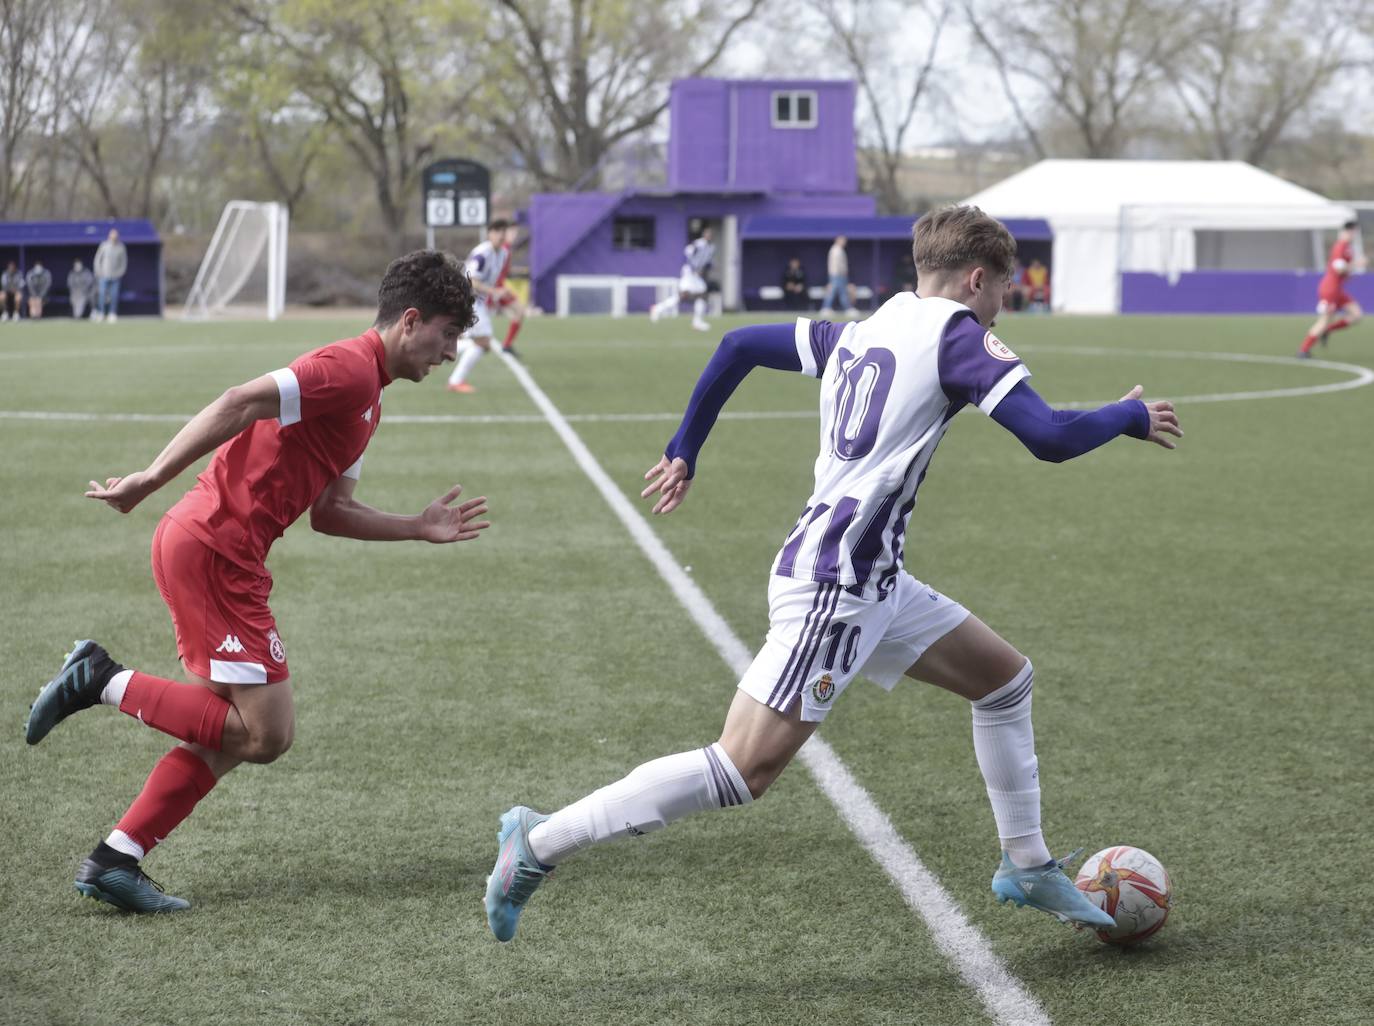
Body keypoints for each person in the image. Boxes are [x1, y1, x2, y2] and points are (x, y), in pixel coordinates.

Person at [482, 205, 1183, 944]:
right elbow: (1049, 437)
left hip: (872, 578)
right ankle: (536, 844)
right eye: (1000, 291)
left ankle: (1027, 864)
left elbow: (737, 345)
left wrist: (686, 445)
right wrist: (1126, 418)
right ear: (976, 279)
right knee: (740, 771)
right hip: (837, 586)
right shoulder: (958, 336)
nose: (1000, 306)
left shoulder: (865, 327)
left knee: (1004, 681)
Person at [24, 250, 488, 913]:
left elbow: (329, 513)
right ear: (411, 322)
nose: (448, 353)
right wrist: (148, 480)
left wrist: (416, 526)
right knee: (268, 734)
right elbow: (239, 400)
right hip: (216, 549)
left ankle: (115, 858)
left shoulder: (370, 402)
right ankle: (98, 678)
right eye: (447, 336)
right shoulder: (349, 369)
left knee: (230, 732)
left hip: (223, 552)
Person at [446, 219, 510, 394]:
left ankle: (441, 350)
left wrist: (495, 294)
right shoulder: (482, 254)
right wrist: (493, 291)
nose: (501, 235)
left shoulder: (503, 254)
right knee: (483, 342)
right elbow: (471, 280)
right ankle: (455, 379)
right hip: (467, 298)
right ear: (490, 234)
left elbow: (489, 280)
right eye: (497, 231)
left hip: (478, 301)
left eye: (504, 231)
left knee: (481, 343)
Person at [1298, 220, 1366, 357]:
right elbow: (1339, 268)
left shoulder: (1347, 247)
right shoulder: (1340, 246)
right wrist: (1356, 264)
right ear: (1349, 231)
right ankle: (1303, 350)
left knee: (1357, 314)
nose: (1354, 235)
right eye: (1354, 232)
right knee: (1324, 320)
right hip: (1330, 290)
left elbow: (1343, 271)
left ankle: (1327, 330)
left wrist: (1350, 270)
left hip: (1338, 290)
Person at [649, 226, 715, 331]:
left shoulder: (711, 247)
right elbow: (688, 252)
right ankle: (657, 309)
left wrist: (707, 269)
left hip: (696, 275)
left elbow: (708, 262)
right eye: (707, 234)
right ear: (704, 235)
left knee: (701, 295)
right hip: (689, 272)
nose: (709, 236)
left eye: (711, 234)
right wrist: (693, 267)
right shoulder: (699, 244)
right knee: (684, 295)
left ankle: (697, 322)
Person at [489, 222, 527, 358]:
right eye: (511, 232)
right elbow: (493, 270)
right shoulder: (502, 249)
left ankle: (507, 344)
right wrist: (493, 290)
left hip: (499, 288)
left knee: (519, 310)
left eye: (515, 232)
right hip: (493, 289)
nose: (513, 235)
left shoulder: (506, 249)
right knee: (476, 326)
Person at [93, 228, 128, 323]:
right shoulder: (104, 245)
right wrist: (99, 272)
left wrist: (120, 273)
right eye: (112, 236)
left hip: (115, 276)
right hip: (104, 275)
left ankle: (112, 314)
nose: (114, 237)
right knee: (102, 295)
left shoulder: (121, 247)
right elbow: (97, 259)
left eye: (115, 236)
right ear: (109, 236)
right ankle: (101, 313)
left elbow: (123, 262)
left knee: (114, 296)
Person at [819, 235, 856, 317]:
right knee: (833, 292)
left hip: (838, 275)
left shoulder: (839, 249)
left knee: (842, 292)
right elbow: (836, 264)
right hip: (837, 275)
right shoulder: (836, 250)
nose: (844, 242)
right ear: (838, 240)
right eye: (842, 240)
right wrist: (839, 273)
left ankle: (847, 308)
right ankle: (826, 308)